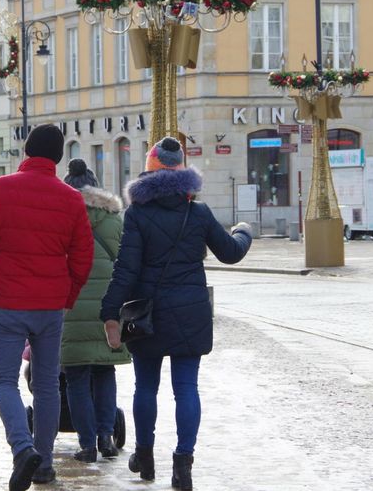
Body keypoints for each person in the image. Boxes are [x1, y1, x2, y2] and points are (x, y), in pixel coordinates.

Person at [0, 124, 94, 491]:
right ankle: (43, 463)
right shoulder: (71, 199)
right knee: (46, 386)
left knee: (2, 381)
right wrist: (67, 297)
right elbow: (83, 258)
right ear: (58, 158)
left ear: (26, 151)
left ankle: (22, 447)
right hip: (50, 308)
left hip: (9, 304)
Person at [99, 137, 252, 491]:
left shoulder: (136, 214)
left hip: (147, 315)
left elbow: (126, 268)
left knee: (145, 388)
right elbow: (230, 252)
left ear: (149, 171)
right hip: (190, 312)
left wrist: (110, 311)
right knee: (186, 388)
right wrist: (243, 233)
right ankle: (183, 464)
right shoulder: (197, 213)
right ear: (183, 173)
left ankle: (145, 456)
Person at [60, 159, 131, 463]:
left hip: (70, 305)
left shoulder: (59, 217)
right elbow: (125, 262)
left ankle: (87, 444)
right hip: (108, 308)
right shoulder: (114, 219)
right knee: (104, 371)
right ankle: (106, 436)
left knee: (76, 377)